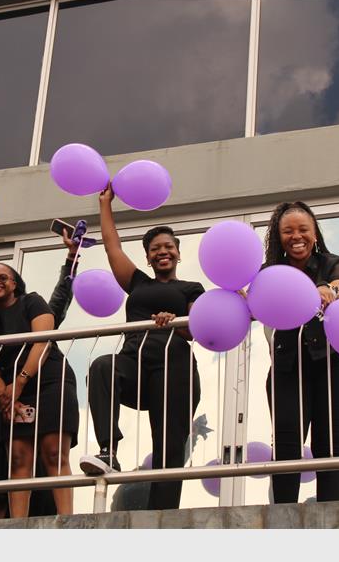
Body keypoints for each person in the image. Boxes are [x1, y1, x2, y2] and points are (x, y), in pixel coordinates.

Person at [80, 183, 204, 511]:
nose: (162, 252)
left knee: (168, 445)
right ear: (148, 257)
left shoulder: (192, 287)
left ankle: (163, 513)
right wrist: (105, 203)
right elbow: (112, 247)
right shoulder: (137, 282)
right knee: (102, 366)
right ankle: (108, 451)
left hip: (173, 364)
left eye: (168, 247)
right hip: (133, 362)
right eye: (155, 249)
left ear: (178, 253)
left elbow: (196, 330)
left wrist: (174, 321)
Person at [262, 201, 339, 503]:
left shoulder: (332, 262)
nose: (297, 236)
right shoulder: (269, 272)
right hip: (287, 365)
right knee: (286, 445)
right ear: (279, 237)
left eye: (303, 229)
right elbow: (255, 298)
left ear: (314, 233)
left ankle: (330, 515)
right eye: (288, 231)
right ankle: (283, 515)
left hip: (336, 362)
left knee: (329, 445)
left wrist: (329, 290)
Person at [0, 261, 80, 518]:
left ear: (14, 283)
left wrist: (19, 383)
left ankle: (66, 520)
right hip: (12, 390)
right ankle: (17, 524)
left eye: (3, 277)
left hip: (50, 381)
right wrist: (4, 395)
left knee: (54, 453)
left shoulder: (31, 301)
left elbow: (41, 342)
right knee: (18, 457)